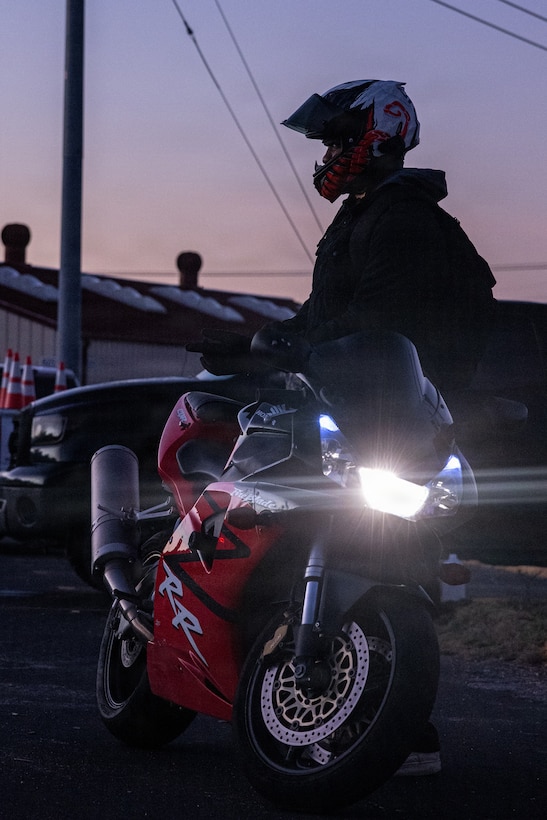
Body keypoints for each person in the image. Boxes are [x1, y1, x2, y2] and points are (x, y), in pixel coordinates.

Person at [191, 79, 497, 776]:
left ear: (377, 137)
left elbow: (378, 321)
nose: (329, 154)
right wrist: (249, 344)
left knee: (383, 555)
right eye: (328, 142)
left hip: (391, 416)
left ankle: (390, 719)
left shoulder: (405, 220)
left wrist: (299, 346)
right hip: (354, 405)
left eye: (338, 139)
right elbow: (323, 317)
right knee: (293, 527)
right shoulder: (362, 215)